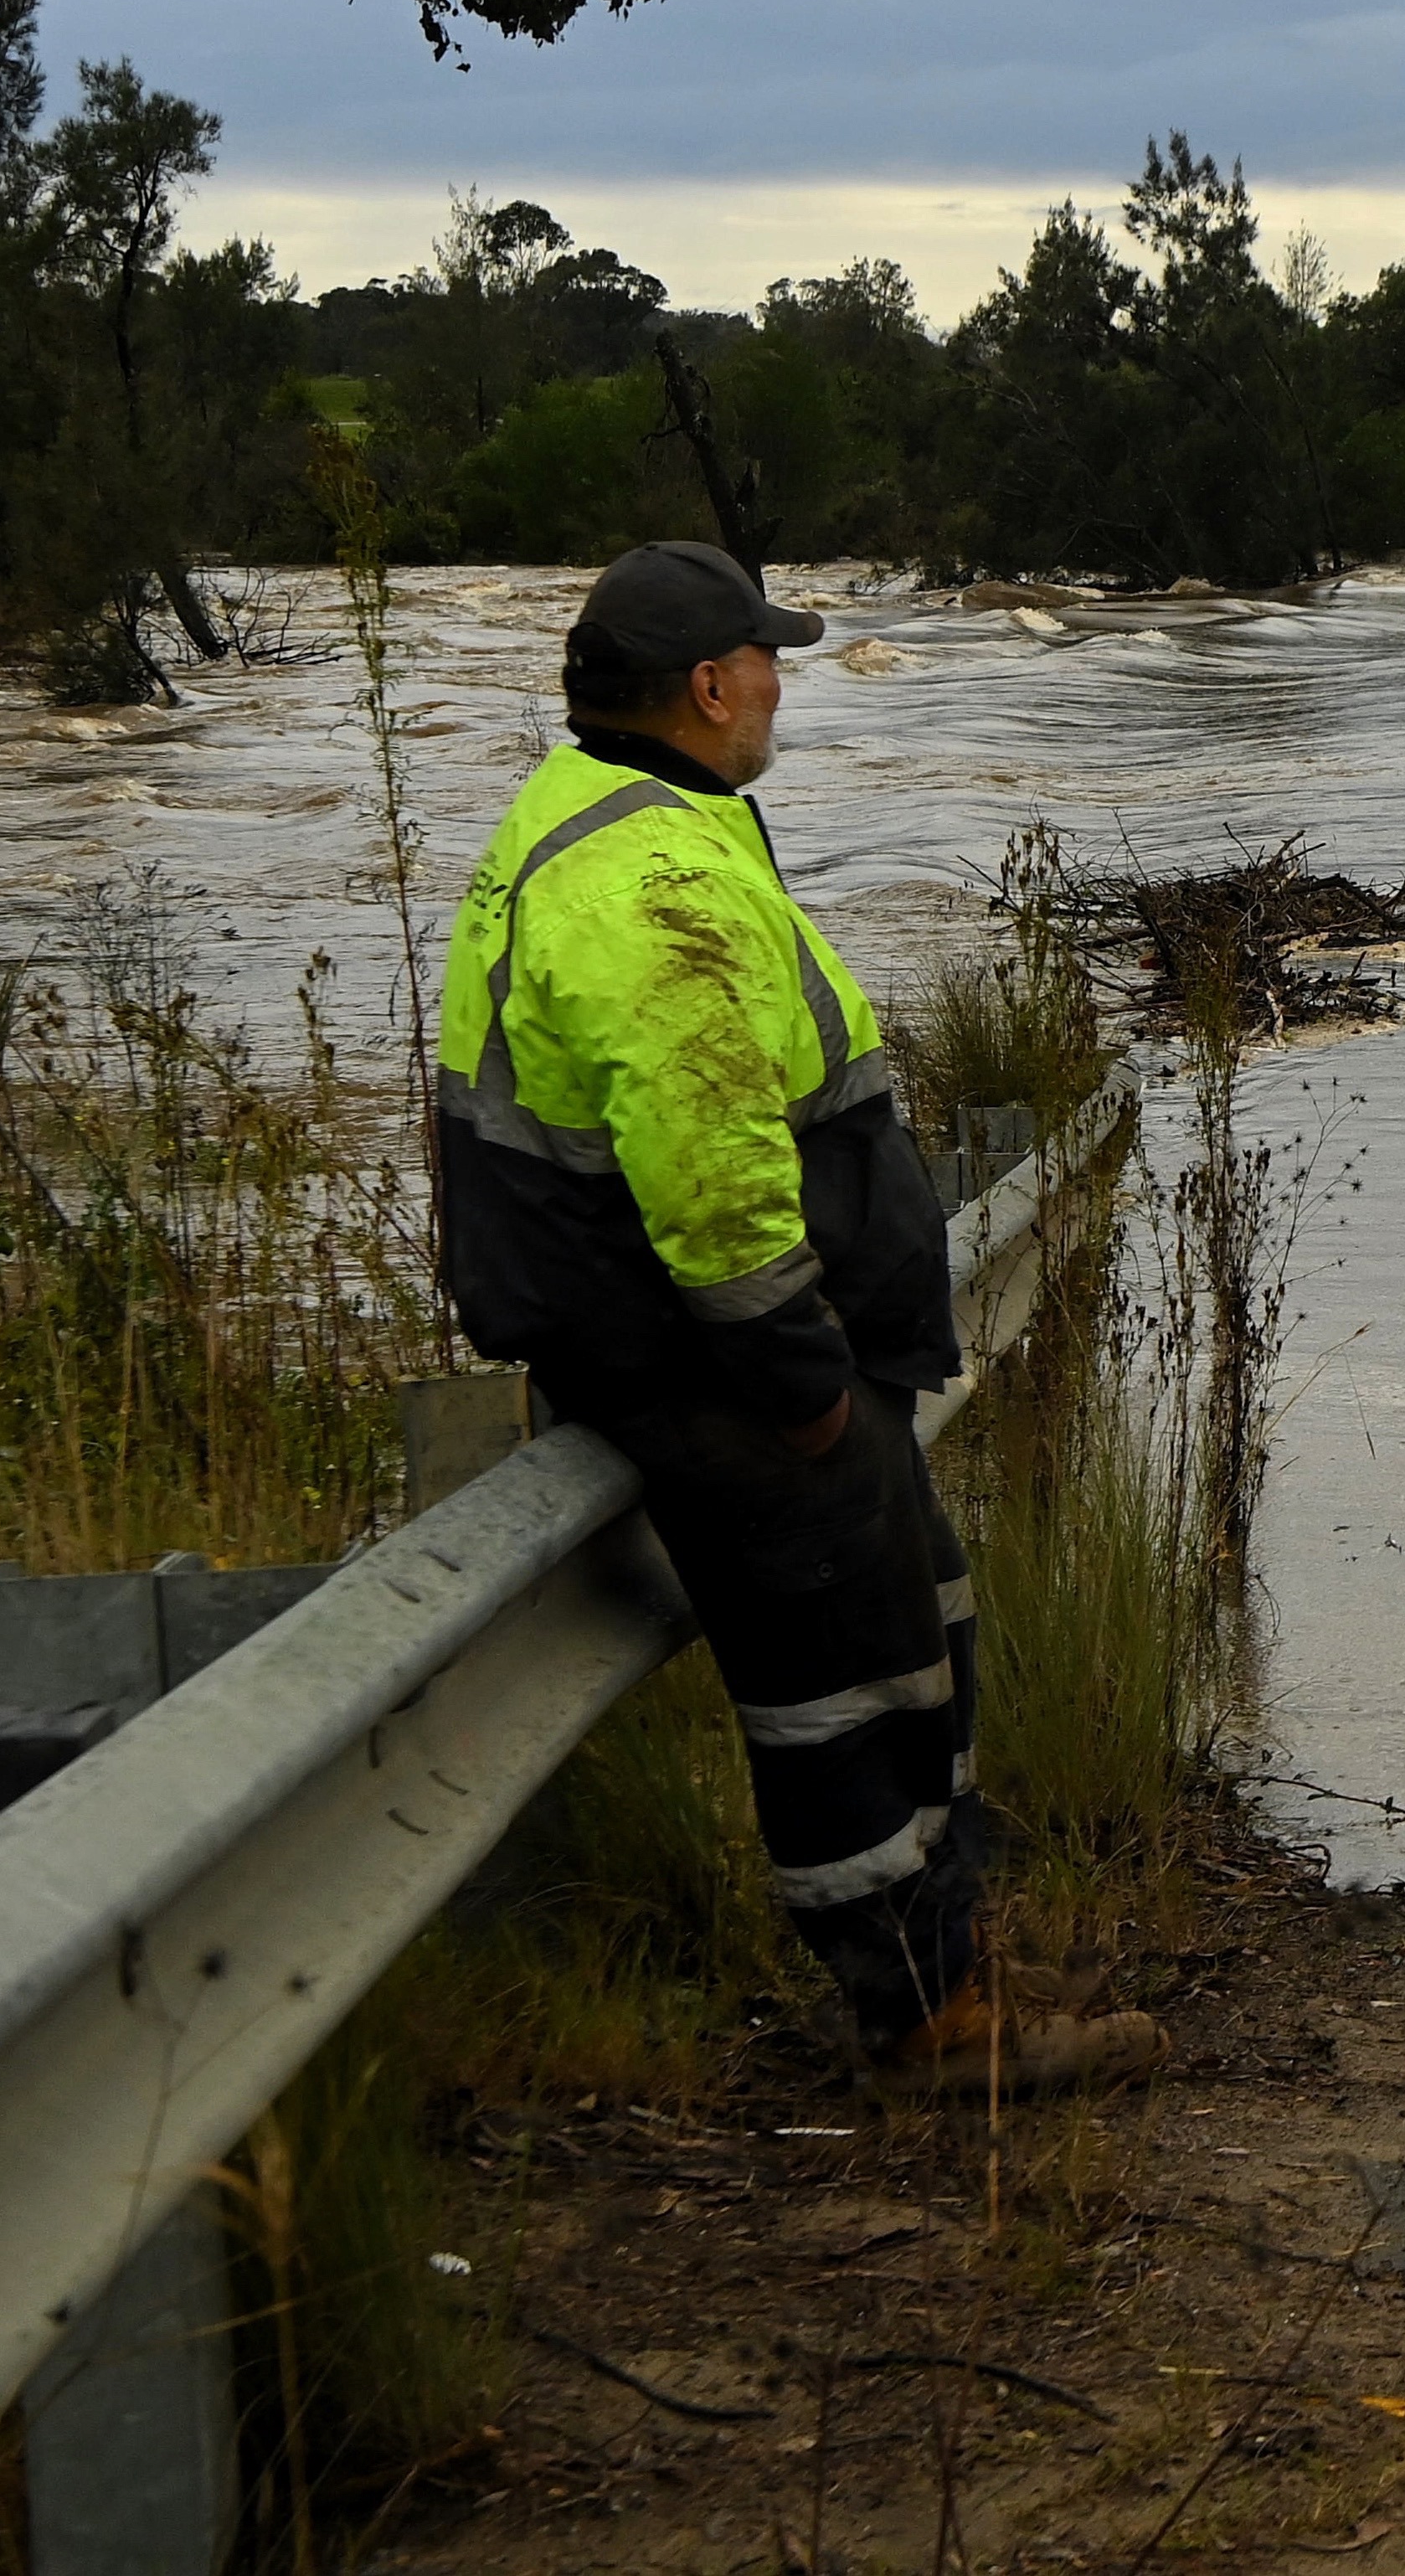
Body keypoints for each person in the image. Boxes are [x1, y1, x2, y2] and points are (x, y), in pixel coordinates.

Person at [431, 539, 1160, 2105]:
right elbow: (708, 1166)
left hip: (726, 1349)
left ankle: (954, 1961)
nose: (778, 680)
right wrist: (802, 1376)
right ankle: (923, 2023)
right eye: (764, 657)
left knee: (918, 1633)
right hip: (722, 1365)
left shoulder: (628, 821)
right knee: (850, 1684)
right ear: (707, 688)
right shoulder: (653, 878)